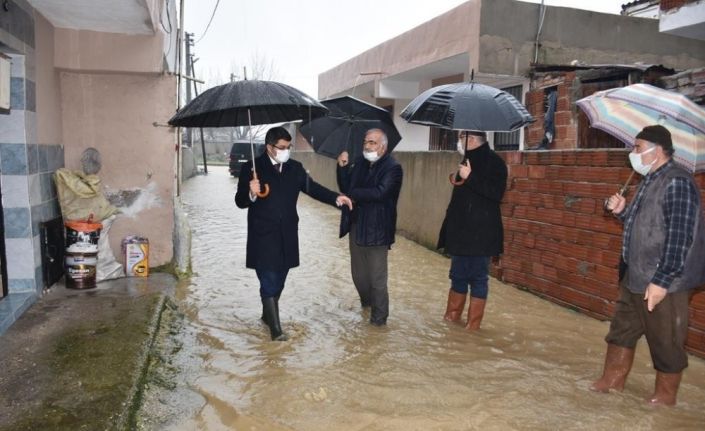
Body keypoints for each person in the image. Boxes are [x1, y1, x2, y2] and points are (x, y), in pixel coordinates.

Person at [593, 125, 705, 406]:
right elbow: (645, 226)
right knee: (621, 333)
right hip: (635, 277)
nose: (633, 153)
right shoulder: (649, 179)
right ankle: (610, 383)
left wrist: (662, 281)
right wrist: (622, 211)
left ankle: (663, 402)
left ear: (657, 150)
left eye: (638, 147)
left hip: (663, 282)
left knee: (666, 343)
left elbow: (681, 235)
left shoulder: (677, 182)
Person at [235, 127, 352, 341]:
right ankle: (276, 331)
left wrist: (336, 198)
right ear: (269, 147)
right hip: (263, 236)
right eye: (281, 147)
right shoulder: (252, 168)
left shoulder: (295, 168)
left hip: (288, 235)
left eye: (288, 147)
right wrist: (251, 192)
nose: (285, 151)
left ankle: (266, 315)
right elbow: (240, 202)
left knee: (279, 280)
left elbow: (312, 188)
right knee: (269, 280)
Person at [437, 130, 507, 330]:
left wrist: (471, 177)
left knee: (478, 278)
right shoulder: (466, 161)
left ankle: (473, 327)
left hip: (481, 234)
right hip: (460, 233)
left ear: (472, 140)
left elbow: (496, 194)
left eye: (461, 138)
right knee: (457, 276)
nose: (459, 141)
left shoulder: (495, 163)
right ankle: (452, 320)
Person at [336, 128, 403, 326]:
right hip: (356, 226)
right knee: (359, 276)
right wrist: (342, 168)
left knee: (377, 280)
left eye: (372, 142)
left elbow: (380, 193)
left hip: (378, 231)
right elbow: (345, 188)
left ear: (383, 146)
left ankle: (378, 321)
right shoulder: (359, 164)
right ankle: (367, 306)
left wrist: (354, 193)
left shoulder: (393, 168)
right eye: (366, 141)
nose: (367, 145)